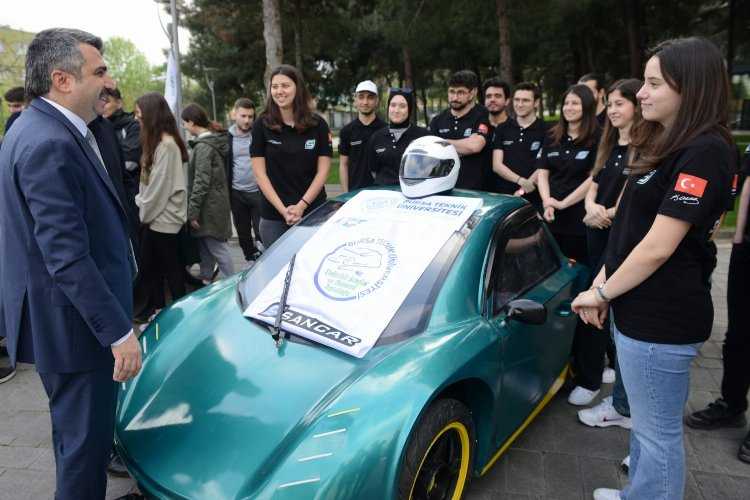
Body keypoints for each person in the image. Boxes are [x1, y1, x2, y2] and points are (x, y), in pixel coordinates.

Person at [571, 37, 736, 500]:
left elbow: (658, 247)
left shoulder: (705, 151)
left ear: (691, 87)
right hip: (638, 308)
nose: (641, 93)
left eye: (653, 83)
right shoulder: (669, 143)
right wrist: (603, 284)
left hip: (662, 317)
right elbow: (628, 233)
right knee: (645, 428)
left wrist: (601, 294)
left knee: (657, 434)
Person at [0, 28, 142, 499]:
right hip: (79, 331)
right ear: (61, 79)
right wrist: (119, 334)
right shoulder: (49, 141)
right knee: (85, 455)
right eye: (98, 71)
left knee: (77, 444)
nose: (109, 81)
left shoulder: (41, 127)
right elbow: (66, 256)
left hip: (66, 324)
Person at [575, 79, 644, 428]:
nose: (614, 110)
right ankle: (609, 378)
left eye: (621, 104)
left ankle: (590, 382)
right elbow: (595, 185)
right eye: (611, 104)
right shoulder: (610, 144)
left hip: (619, 234)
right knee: (597, 302)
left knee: (598, 303)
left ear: (636, 106)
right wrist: (591, 207)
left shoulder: (646, 147)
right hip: (595, 229)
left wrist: (606, 213)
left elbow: (633, 198)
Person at [685, 143, 750, 464]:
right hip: (747, 250)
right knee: (737, 336)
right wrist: (738, 240)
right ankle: (732, 404)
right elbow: (746, 184)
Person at [250, 64, 332, 248]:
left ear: (298, 87)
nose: (279, 91)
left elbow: (324, 171)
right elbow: (259, 174)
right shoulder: (261, 126)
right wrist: (283, 211)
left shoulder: (318, 125)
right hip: (274, 219)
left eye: (285, 85)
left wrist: (301, 206)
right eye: (275, 86)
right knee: (277, 274)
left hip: (314, 213)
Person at [134, 92, 189, 323]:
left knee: (168, 269)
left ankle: (179, 316)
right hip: (156, 217)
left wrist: (140, 206)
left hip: (163, 219)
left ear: (150, 114)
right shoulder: (157, 143)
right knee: (152, 267)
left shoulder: (166, 146)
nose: (136, 118)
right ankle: (161, 312)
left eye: (138, 113)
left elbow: (159, 188)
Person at [536, 83, 599, 266]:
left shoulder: (597, 138)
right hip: (551, 215)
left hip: (578, 220)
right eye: (566, 103)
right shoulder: (552, 136)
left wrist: (563, 203)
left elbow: (594, 178)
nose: (569, 108)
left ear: (586, 107)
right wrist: (548, 202)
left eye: (575, 103)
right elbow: (542, 173)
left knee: (577, 269)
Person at [181, 103, 235, 284]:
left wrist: (193, 211)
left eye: (185, 123)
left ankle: (232, 282)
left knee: (216, 247)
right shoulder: (208, 143)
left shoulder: (203, 147)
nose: (184, 126)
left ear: (191, 122)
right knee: (206, 246)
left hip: (209, 208)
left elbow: (201, 181)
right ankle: (206, 278)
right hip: (212, 204)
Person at [491, 82, 550, 211]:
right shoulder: (502, 128)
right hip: (505, 194)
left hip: (536, 195)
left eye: (525, 100)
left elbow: (545, 164)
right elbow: (497, 165)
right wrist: (522, 182)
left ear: (536, 102)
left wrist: (524, 188)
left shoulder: (547, 129)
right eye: (517, 100)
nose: (520, 104)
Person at [429, 70, 491, 190]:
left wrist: (441, 142)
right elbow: (433, 152)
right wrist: (465, 143)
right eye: (452, 92)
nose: (455, 97)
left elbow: (475, 146)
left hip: (474, 189)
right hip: (442, 187)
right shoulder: (437, 120)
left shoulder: (481, 116)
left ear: (471, 93)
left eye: (461, 92)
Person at [226, 97, 263, 265]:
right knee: (243, 233)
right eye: (243, 116)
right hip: (236, 193)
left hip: (258, 191)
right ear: (234, 114)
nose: (247, 120)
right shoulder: (226, 138)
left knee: (261, 230)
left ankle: (263, 259)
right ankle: (250, 260)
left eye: (250, 116)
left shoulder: (259, 134)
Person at [366, 87, 429, 187]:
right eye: (393, 105)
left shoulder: (424, 136)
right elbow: (373, 171)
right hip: (384, 196)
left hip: (414, 197)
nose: (396, 110)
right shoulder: (377, 137)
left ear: (410, 109)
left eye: (402, 106)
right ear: (388, 107)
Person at [339, 80, 387, 193]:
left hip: (382, 193)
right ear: (355, 99)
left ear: (377, 100)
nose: (365, 102)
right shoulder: (347, 131)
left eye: (370, 97)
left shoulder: (386, 130)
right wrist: (346, 195)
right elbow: (343, 165)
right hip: (355, 194)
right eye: (361, 97)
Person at [102, 87, 142, 189]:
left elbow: (130, 160)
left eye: (106, 101)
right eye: (99, 101)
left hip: (131, 191)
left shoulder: (133, 126)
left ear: (119, 103)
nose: (102, 105)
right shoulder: (97, 128)